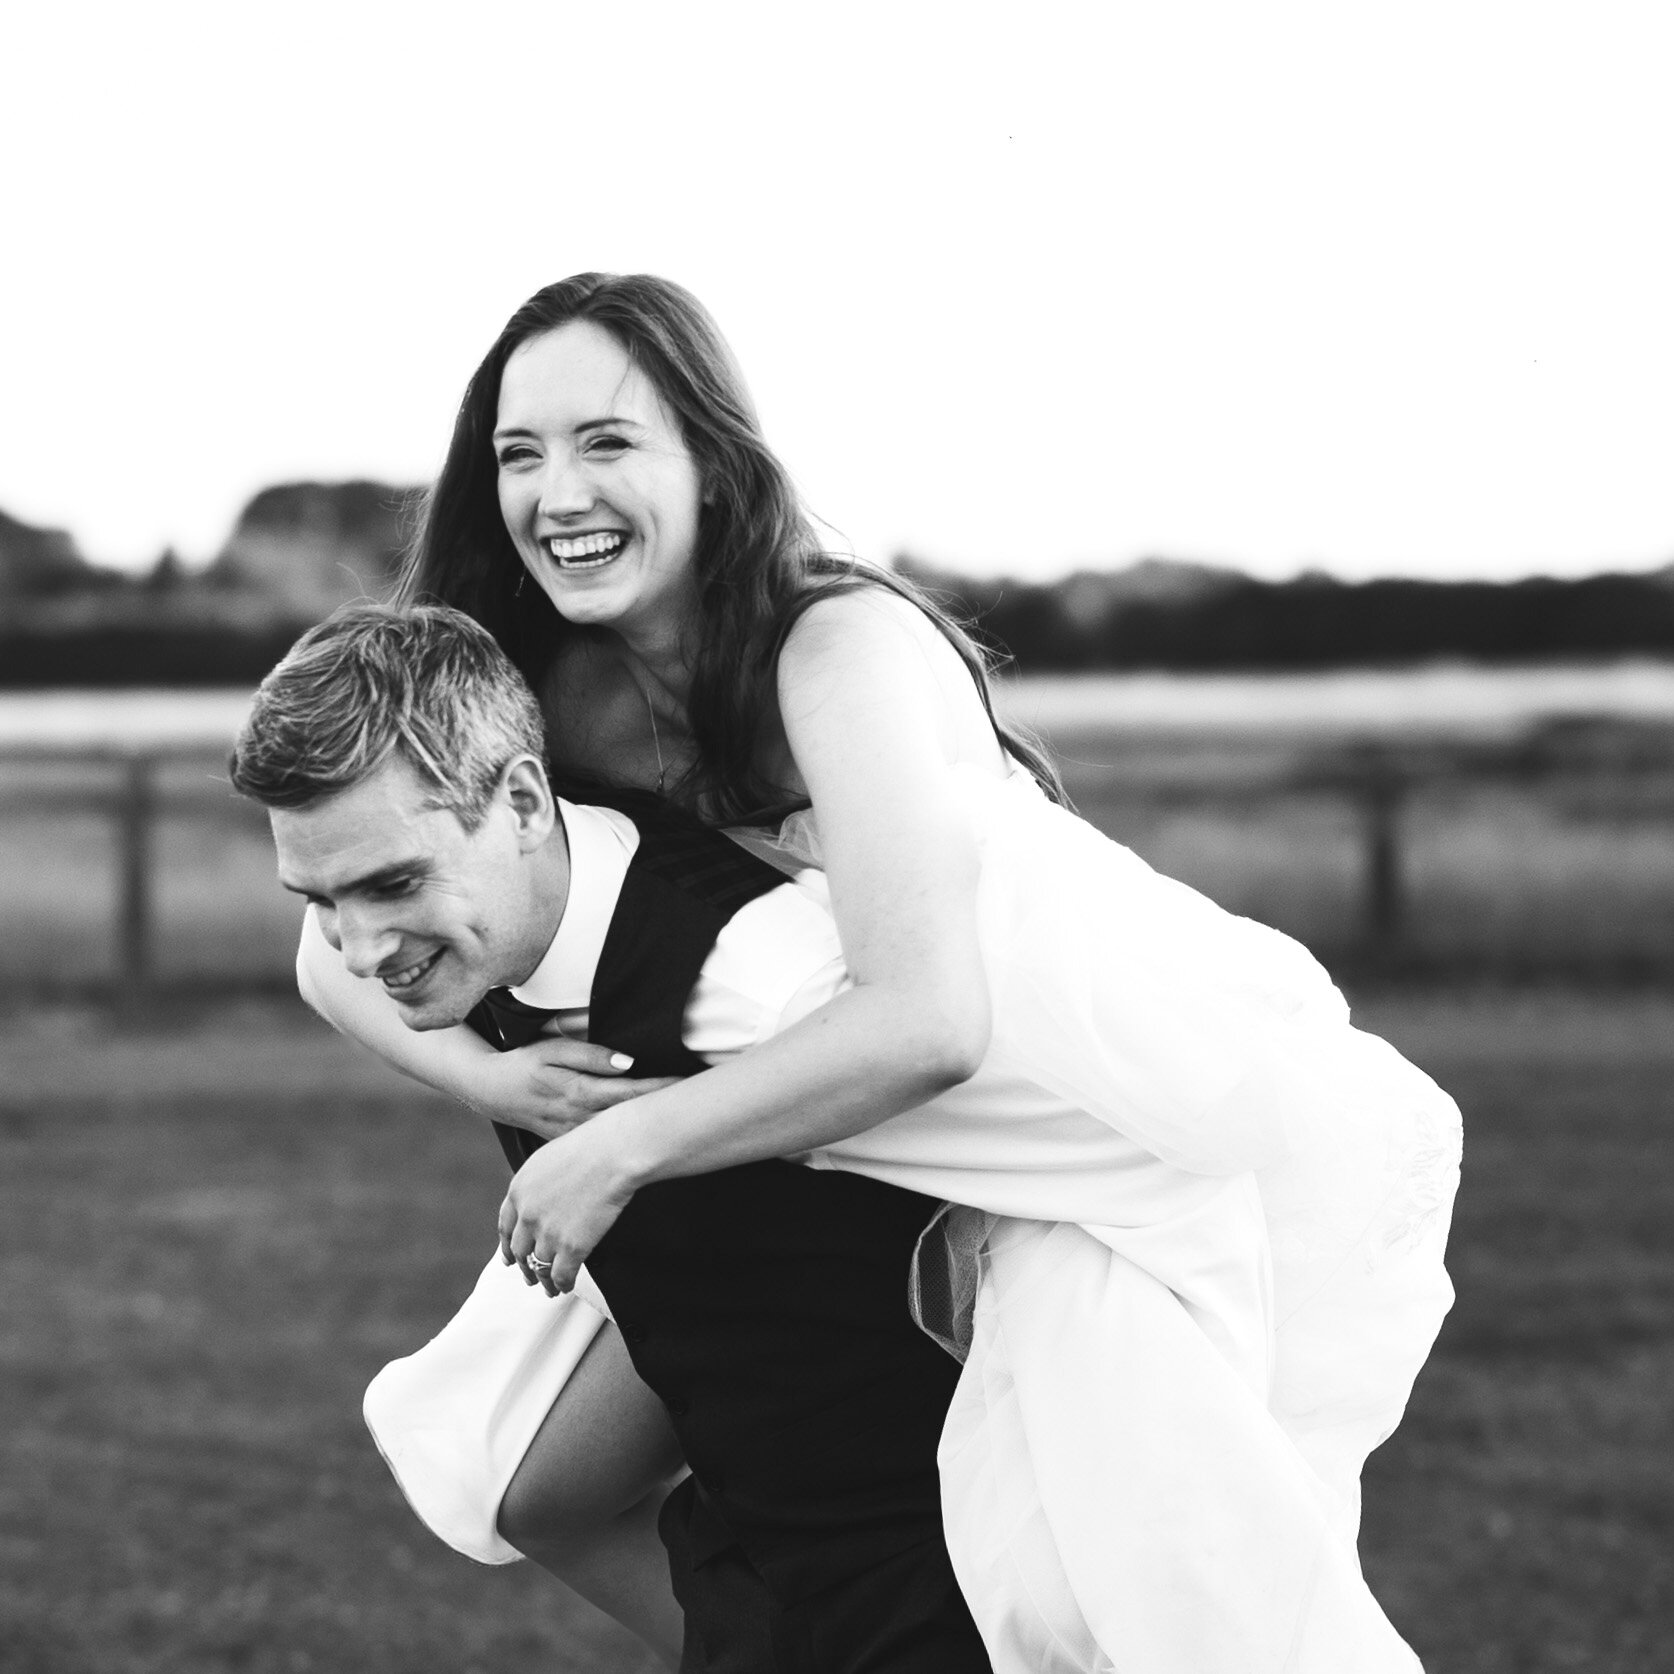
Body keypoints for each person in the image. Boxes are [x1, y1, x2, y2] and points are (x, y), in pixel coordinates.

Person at [292, 275, 1462, 1673]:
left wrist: (624, 1147)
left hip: (1047, 1084)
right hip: (783, 1066)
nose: (557, 490)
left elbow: (931, 1017)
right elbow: (326, 938)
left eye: (607, 440)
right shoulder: (558, 694)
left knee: (1129, 1583)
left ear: (710, 462)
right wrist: (487, 1073)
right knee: (522, 1482)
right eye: (518, 451)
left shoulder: (837, 647)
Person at [233, 604, 996, 1674]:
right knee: (537, 1494)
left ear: (525, 801)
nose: (361, 948)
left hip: (909, 1561)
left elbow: (1002, 1138)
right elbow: (323, 968)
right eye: (322, 898)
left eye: (392, 886)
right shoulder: (484, 912)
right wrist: (486, 1075)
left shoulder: (764, 988)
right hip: (752, 1523)